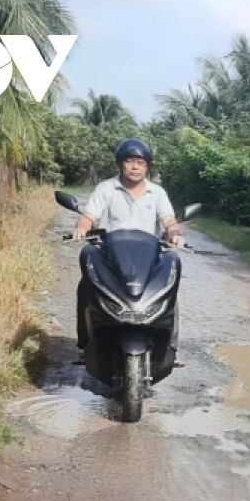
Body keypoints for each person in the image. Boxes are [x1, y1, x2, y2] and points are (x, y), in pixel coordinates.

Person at [69, 138, 186, 365]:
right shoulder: (106, 188)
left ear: (147, 166)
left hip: (147, 255)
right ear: (120, 164)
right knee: (87, 287)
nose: (135, 167)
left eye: (140, 163)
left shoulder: (157, 193)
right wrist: (81, 229)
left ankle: (170, 346)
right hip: (112, 254)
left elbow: (169, 221)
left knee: (168, 289)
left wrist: (176, 234)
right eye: (129, 162)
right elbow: (89, 216)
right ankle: (86, 344)